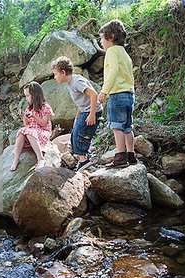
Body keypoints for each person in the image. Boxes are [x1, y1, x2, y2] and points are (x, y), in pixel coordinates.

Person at [51, 56, 102, 172]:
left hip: (93, 111)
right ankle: (84, 161)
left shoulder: (77, 81)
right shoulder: (70, 84)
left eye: (55, 74)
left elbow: (94, 95)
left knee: (81, 133)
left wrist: (92, 114)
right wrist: (77, 117)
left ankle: (84, 161)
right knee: (75, 132)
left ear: (63, 72)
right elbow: (81, 103)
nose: (55, 77)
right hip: (85, 111)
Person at [98, 19, 137, 168]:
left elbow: (113, 71)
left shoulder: (112, 51)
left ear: (112, 36)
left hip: (117, 94)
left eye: (102, 37)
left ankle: (120, 156)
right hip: (129, 94)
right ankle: (131, 155)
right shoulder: (124, 53)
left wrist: (104, 91)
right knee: (128, 127)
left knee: (116, 126)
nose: (101, 41)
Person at [10, 81, 54, 171]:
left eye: (27, 96)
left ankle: (40, 158)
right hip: (32, 132)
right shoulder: (28, 108)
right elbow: (27, 125)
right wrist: (24, 117)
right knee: (22, 131)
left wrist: (34, 116)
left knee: (30, 132)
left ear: (35, 95)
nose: (26, 98)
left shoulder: (46, 107)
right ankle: (16, 158)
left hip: (42, 132)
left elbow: (43, 123)